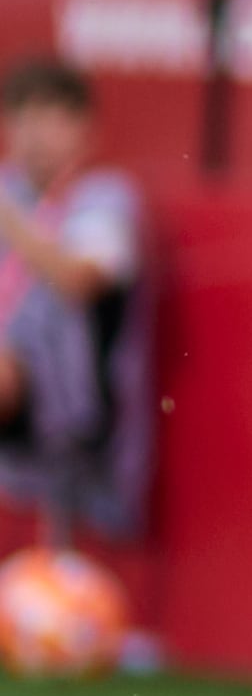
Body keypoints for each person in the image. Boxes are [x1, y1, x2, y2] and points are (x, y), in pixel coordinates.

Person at [0, 55, 147, 541]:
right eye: (21, 118)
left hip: (72, 403)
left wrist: (11, 218)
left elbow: (78, 278)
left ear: (86, 130)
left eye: (48, 118)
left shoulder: (104, 198)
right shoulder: (10, 190)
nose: (32, 135)